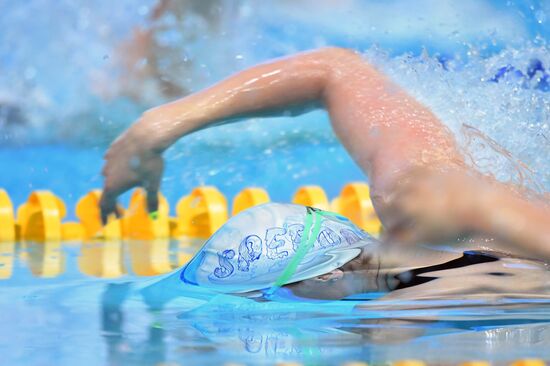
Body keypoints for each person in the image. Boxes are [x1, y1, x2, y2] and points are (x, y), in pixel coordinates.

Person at [100, 47, 550, 264]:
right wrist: (156, 127)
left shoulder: (430, 204)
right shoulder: (432, 205)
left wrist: (157, 127)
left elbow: (336, 71)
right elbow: (336, 71)